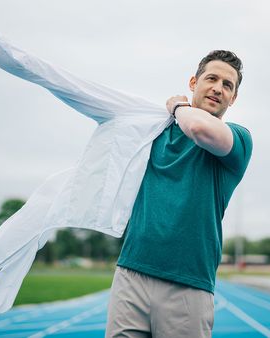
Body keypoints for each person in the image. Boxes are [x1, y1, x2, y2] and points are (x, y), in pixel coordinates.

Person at [105, 51, 253, 338]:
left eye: (227, 85)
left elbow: (199, 128)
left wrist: (177, 107)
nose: (218, 88)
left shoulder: (238, 139)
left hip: (188, 285)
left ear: (233, 98)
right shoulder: (155, 132)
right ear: (193, 81)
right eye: (212, 79)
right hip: (132, 273)